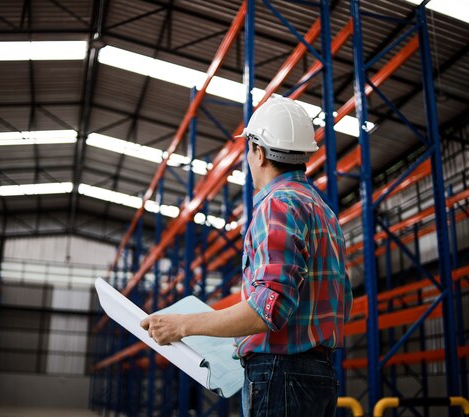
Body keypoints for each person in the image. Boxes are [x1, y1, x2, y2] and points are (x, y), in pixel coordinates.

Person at [141, 96, 352, 417]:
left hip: (282, 375)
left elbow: (268, 309)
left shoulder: (277, 205)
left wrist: (182, 325)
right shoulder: (322, 211)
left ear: (259, 151)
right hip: (318, 375)